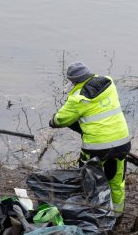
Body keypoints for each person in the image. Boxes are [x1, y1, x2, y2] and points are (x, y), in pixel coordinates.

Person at [49, 62, 131, 212]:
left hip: (96, 148)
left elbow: (60, 120)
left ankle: (94, 214)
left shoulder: (77, 98)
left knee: (89, 179)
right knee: (117, 180)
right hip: (122, 143)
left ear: (73, 80)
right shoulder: (109, 83)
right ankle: (117, 215)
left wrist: (53, 121)